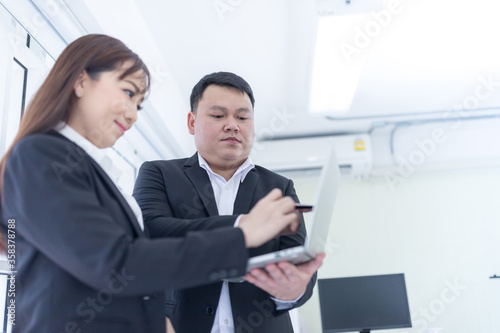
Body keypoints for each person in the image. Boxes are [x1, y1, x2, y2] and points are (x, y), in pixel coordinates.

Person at [0, 35, 303, 333]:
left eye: (139, 104)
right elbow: (119, 263)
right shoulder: (41, 156)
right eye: (128, 93)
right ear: (80, 81)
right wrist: (242, 234)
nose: (132, 115)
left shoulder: (86, 168)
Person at [133, 72, 325, 333]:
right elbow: (152, 232)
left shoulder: (279, 188)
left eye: (243, 117)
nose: (233, 125)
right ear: (191, 122)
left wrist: (293, 290)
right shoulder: (159, 174)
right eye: (218, 115)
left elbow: (298, 264)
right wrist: (242, 226)